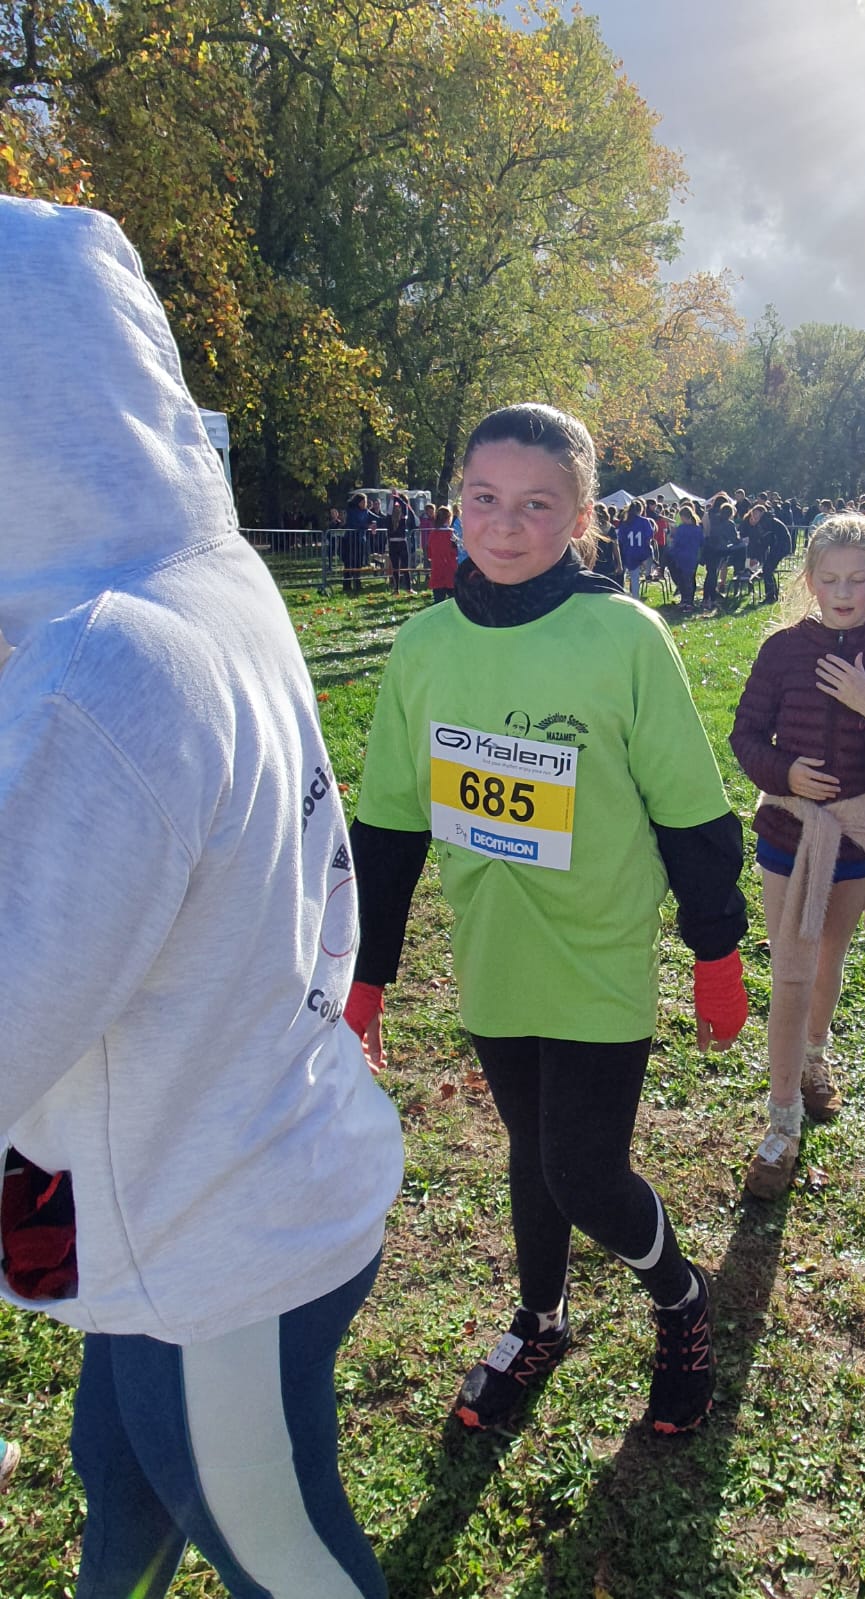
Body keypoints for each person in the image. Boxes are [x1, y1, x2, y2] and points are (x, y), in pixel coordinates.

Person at [0, 198, 404, 1597]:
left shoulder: (105, 670)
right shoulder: (200, 575)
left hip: (215, 1233)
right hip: (215, 1165)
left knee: (286, 1558)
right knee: (120, 1472)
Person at [346, 402, 749, 1436]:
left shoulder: (624, 636)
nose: (506, 523)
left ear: (580, 518)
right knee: (531, 1148)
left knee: (584, 1170)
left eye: (537, 504)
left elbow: (692, 813)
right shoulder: (424, 646)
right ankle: (541, 1319)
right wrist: (367, 971)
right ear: (456, 506)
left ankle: (682, 1298)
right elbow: (387, 827)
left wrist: (716, 949)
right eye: (485, 498)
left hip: (599, 952)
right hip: (495, 950)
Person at [729, 514, 865, 1197]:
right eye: (830, 579)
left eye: (858, 579)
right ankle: (781, 1123)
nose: (844, 592)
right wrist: (785, 773)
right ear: (810, 582)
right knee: (790, 975)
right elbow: (744, 736)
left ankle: (814, 1058)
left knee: (828, 959)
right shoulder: (782, 651)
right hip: (788, 834)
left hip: (854, 837)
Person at [744, 502, 792, 604]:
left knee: (767, 569)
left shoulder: (766, 522)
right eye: (753, 514)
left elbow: (765, 540)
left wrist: (757, 554)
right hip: (779, 546)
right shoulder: (766, 520)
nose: (754, 516)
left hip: (780, 546)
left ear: (762, 513)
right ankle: (773, 594)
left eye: (756, 514)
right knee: (768, 569)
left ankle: (770, 596)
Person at [667, 502, 703, 611]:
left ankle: (685, 601)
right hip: (693, 557)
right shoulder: (698, 529)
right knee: (691, 579)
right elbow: (702, 542)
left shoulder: (682, 528)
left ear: (683, 517)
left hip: (681, 557)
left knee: (682, 580)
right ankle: (689, 601)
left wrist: (672, 539)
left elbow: (677, 542)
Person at [618, 496, 655, 598]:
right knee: (651, 551)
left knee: (629, 577)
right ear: (641, 510)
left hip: (628, 553)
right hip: (641, 552)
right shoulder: (645, 521)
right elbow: (649, 538)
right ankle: (648, 573)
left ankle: (628, 597)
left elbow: (621, 539)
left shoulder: (625, 522)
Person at [342, 492, 374, 593]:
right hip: (350, 540)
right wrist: (367, 526)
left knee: (358, 563)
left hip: (360, 541)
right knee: (349, 563)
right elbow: (353, 523)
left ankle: (357, 583)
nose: (365, 503)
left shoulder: (366, 511)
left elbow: (376, 518)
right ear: (358, 502)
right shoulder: (351, 510)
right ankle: (347, 585)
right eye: (364, 501)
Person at [427, 503, 458, 602]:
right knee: (454, 601)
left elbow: (429, 552)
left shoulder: (433, 534)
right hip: (450, 570)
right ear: (448, 518)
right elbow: (455, 551)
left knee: (438, 601)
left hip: (437, 569)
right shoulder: (451, 534)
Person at [388, 492, 415, 592]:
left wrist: (393, 499)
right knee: (404, 567)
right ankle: (408, 588)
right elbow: (404, 506)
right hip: (401, 543)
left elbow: (392, 509)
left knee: (396, 568)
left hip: (392, 544)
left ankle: (396, 589)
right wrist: (397, 498)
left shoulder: (389, 517)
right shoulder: (403, 518)